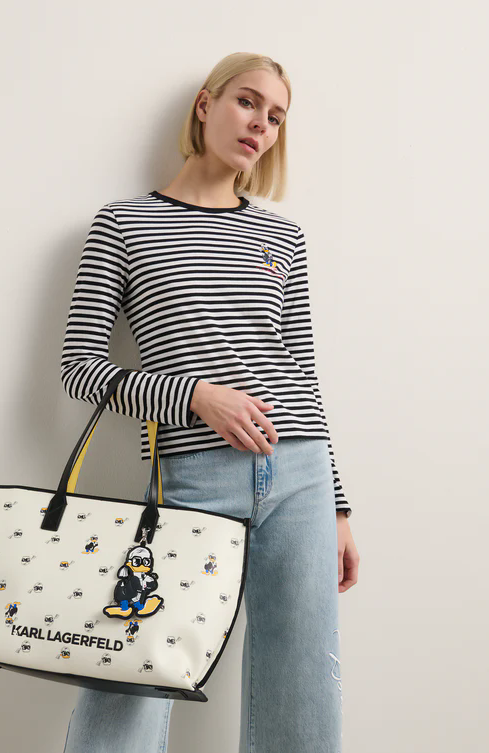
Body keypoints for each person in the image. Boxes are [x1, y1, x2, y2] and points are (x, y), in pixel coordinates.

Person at [60, 51, 360, 753]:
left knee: (303, 680)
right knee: (133, 668)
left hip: (301, 476)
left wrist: (339, 506)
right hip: (192, 474)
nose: (261, 125)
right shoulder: (124, 224)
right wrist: (195, 397)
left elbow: (302, 371)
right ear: (206, 104)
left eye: (276, 117)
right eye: (248, 102)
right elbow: (79, 369)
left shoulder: (282, 236)